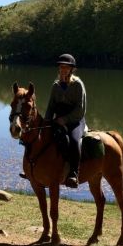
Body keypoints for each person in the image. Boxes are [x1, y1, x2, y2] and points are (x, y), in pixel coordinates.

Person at [44, 53, 86, 188]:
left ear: (72, 69)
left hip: (75, 120)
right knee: (43, 137)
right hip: (58, 120)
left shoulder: (78, 85)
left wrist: (66, 119)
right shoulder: (55, 85)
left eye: (66, 68)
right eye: (61, 67)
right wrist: (46, 122)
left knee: (73, 140)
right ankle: (40, 170)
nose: (63, 70)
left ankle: (73, 173)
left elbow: (81, 109)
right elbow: (50, 107)